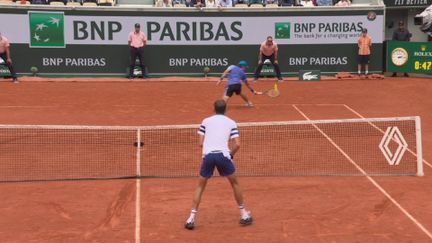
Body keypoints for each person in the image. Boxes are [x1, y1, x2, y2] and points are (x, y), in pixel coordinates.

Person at [184, 99, 253, 230]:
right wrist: (230, 155)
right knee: (235, 183)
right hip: (223, 156)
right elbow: (237, 144)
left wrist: (209, 149)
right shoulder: (231, 122)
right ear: (225, 109)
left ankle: (191, 218)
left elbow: (200, 143)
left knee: (200, 186)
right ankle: (244, 214)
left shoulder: (205, 121)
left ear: (214, 108)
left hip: (208, 156)